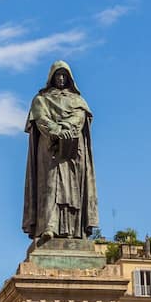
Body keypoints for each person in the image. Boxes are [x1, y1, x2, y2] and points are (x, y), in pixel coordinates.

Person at [22, 61, 99, 241]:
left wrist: (66, 128)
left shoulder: (78, 101)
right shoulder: (41, 99)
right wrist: (57, 132)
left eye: (65, 75)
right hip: (50, 148)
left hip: (72, 151)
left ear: (70, 78)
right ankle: (48, 226)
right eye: (58, 75)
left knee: (71, 191)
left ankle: (72, 230)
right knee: (50, 186)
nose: (62, 79)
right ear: (52, 78)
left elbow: (80, 117)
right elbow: (41, 118)